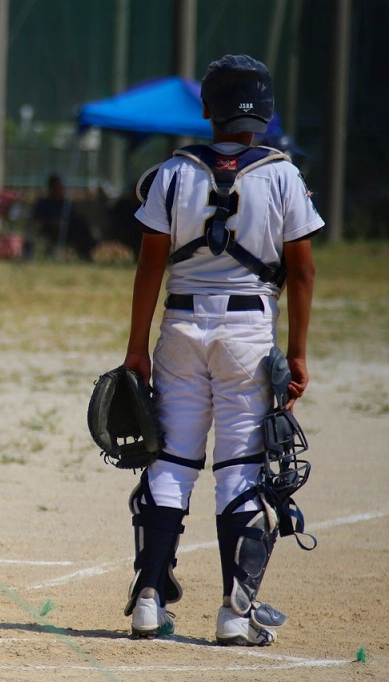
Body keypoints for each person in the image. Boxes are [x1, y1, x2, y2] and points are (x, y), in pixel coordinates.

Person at [120, 55, 322, 646]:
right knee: (240, 470)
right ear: (264, 113)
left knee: (172, 463)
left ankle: (149, 600)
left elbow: (150, 263)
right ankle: (235, 615)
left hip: (180, 330)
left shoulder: (173, 173)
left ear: (205, 108)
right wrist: (299, 352)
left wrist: (136, 347)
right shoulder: (283, 174)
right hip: (248, 335)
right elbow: (303, 272)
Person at [27, 174, 97, 261]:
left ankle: (86, 254)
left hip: (68, 230)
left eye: (61, 187)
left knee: (81, 227)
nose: (61, 190)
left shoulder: (65, 204)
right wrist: (53, 221)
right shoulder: (43, 203)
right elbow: (37, 219)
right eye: (57, 187)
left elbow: (74, 217)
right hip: (50, 230)